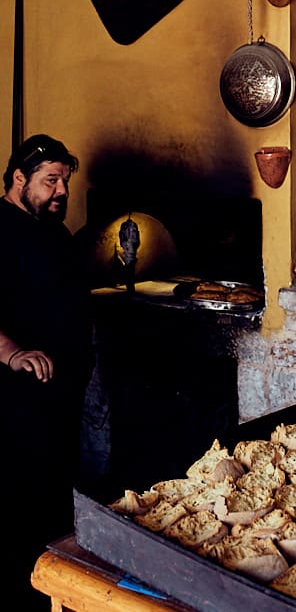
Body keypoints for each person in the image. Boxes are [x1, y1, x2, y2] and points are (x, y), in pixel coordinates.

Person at [0, 134, 93, 610]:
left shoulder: (52, 229)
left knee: (56, 487)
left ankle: (56, 583)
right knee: (23, 494)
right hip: (17, 395)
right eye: (50, 181)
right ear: (19, 179)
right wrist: (12, 351)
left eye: (65, 181)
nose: (61, 191)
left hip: (59, 389)